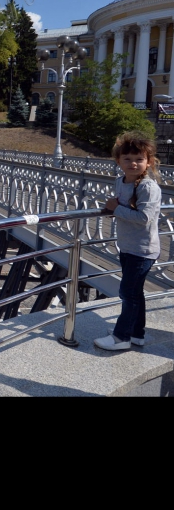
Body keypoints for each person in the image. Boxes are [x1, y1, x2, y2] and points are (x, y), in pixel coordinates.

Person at [94, 132, 162, 351]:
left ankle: (121, 337)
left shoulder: (147, 187)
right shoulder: (120, 181)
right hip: (128, 246)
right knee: (135, 293)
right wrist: (112, 209)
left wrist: (116, 208)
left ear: (148, 162)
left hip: (142, 250)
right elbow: (120, 208)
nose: (133, 163)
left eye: (139, 159)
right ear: (119, 161)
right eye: (128, 159)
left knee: (127, 294)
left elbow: (144, 218)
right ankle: (136, 334)